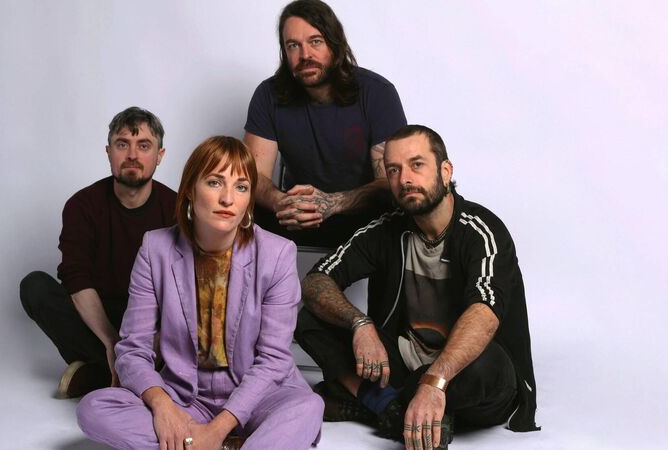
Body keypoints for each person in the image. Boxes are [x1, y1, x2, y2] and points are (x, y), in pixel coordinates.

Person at [295, 125, 539, 450]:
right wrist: (360, 323)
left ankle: (380, 402)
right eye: (393, 170)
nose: (405, 179)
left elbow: (484, 313)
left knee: (486, 364)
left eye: (417, 164)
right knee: (309, 317)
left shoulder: (482, 231)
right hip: (404, 364)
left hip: (466, 372)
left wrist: (434, 381)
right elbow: (317, 279)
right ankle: (397, 411)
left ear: (446, 171)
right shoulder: (387, 229)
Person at [76, 136, 323, 450]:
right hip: (186, 399)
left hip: (260, 397)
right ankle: (230, 444)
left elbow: (273, 360)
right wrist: (163, 407)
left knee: (308, 407)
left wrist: (217, 429)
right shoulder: (155, 249)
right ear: (190, 189)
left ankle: (206, 442)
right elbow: (133, 350)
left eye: (241, 187)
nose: (228, 199)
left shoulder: (277, 254)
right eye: (215, 182)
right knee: (94, 408)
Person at [20, 107, 177, 398]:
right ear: (108, 152)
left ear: (160, 155)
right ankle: (121, 372)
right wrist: (111, 342)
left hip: (151, 323)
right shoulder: (82, 205)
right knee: (34, 286)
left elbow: (182, 291)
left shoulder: (177, 209)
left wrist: (153, 341)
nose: (132, 155)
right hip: (97, 318)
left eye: (144, 146)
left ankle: (98, 375)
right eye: (122, 144)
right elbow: (76, 277)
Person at [244, 0, 407, 248]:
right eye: (293, 45)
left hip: (363, 215)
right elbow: (252, 174)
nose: (305, 55)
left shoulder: (376, 92)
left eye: (315, 41)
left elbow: (391, 181)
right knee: (236, 206)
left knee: (404, 207)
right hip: (297, 214)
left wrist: (332, 203)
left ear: (335, 43)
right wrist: (281, 202)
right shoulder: (268, 95)